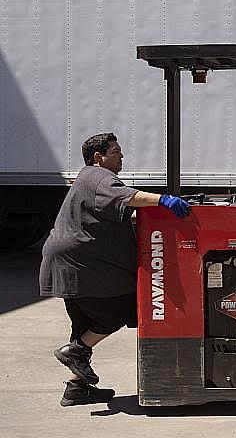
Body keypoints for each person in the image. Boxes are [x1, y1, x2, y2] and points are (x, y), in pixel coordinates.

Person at [39, 133, 191, 406]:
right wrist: (163, 201)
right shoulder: (97, 177)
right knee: (120, 309)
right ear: (99, 157)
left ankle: (77, 388)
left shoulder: (87, 180)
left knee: (85, 325)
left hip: (67, 265)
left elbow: (112, 211)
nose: (122, 157)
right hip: (82, 264)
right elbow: (127, 196)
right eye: (116, 152)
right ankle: (76, 352)